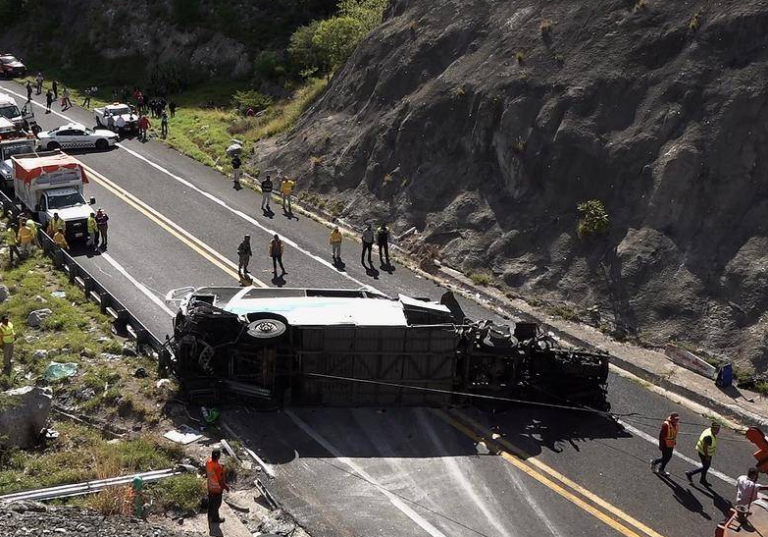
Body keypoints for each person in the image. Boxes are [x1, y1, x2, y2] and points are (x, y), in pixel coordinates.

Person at [206, 449, 229, 524]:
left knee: (211, 502)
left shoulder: (208, 462)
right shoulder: (219, 468)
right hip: (217, 490)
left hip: (210, 487)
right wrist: (226, 487)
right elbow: (221, 481)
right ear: (219, 457)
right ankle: (215, 518)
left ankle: (209, 515)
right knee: (216, 505)